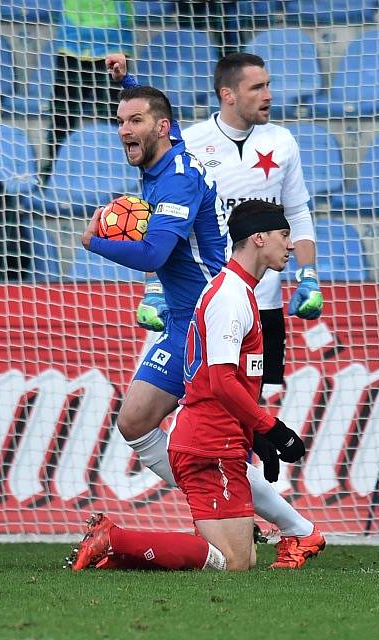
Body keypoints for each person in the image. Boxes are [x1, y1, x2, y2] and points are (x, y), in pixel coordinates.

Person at [81, 68, 325, 569]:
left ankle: (295, 528)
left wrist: (93, 242)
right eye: (120, 121)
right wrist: (129, 84)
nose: (125, 129)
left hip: (206, 318)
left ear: (164, 127)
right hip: (181, 318)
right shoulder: (159, 164)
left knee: (186, 432)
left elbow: (153, 254)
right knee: (138, 421)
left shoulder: (179, 177)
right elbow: (148, 109)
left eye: (136, 121)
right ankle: (255, 510)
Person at [67, 200, 315, 572]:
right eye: (284, 234)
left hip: (217, 439)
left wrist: (254, 434)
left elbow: (232, 381)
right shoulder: (230, 297)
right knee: (230, 563)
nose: (291, 244)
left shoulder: (237, 291)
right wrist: (272, 429)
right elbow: (221, 381)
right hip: (209, 443)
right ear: (259, 238)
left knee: (241, 559)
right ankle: (114, 539)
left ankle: (123, 552)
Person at [182, 52, 323, 400]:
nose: (268, 95)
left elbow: (298, 214)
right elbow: (171, 221)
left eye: (269, 85)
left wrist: (309, 275)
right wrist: (155, 287)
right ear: (228, 94)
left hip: (265, 306)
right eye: (257, 87)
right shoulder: (190, 143)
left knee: (259, 411)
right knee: (203, 402)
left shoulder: (282, 142)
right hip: (209, 300)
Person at [44, 0, 134, 174]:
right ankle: (54, 168)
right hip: (73, 37)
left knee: (114, 113)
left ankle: (124, 169)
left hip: (112, 35)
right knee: (62, 113)